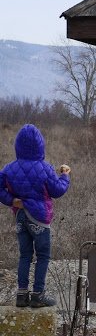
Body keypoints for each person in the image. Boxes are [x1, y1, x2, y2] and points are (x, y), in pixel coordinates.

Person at [0, 124, 71, 308]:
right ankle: (38, 295)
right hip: (39, 218)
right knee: (43, 256)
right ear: (40, 146)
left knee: (24, 256)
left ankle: (21, 295)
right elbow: (57, 191)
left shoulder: (8, 169)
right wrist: (65, 175)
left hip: (20, 216)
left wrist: (11, 200)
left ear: (18, 146)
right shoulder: (45, 168)